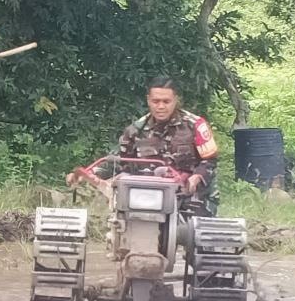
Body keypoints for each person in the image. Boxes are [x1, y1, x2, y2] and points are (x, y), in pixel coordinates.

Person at [67, 76, 219, 215]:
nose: (160, 106)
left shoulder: (196, 125)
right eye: (156, 101)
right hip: (147, 195)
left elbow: (210, 160)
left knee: (196, 235)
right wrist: (86, 174)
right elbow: (117, 160)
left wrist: (197, 177)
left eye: (166, 102)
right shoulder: (135, 130)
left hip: (190, 195)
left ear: (176, 100)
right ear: (148, 100)